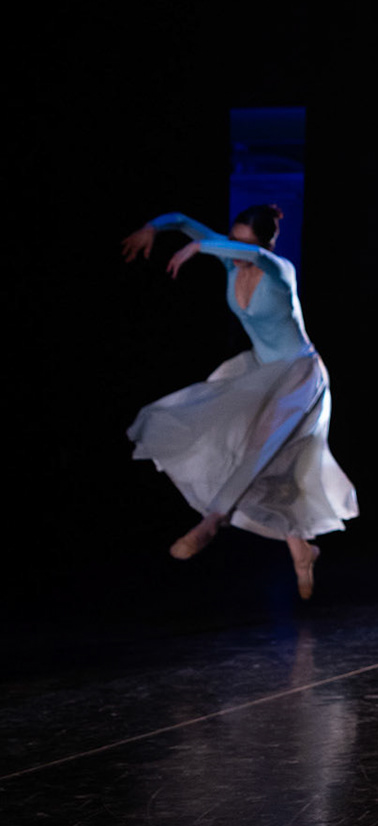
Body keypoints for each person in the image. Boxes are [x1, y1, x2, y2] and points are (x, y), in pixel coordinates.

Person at [122, 205, 357, 599]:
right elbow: (181, 220)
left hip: (300, 375)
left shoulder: (280, 271)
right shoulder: (231, 258)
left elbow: (250, 253)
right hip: (261, 373)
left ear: (265, 246)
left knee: (260, 449)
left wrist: (199, 248)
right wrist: (152, 227)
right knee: (269, 466)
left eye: (244, 245)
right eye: (232, 241)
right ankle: (302, 550)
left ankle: (212, 521)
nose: (234, 250)